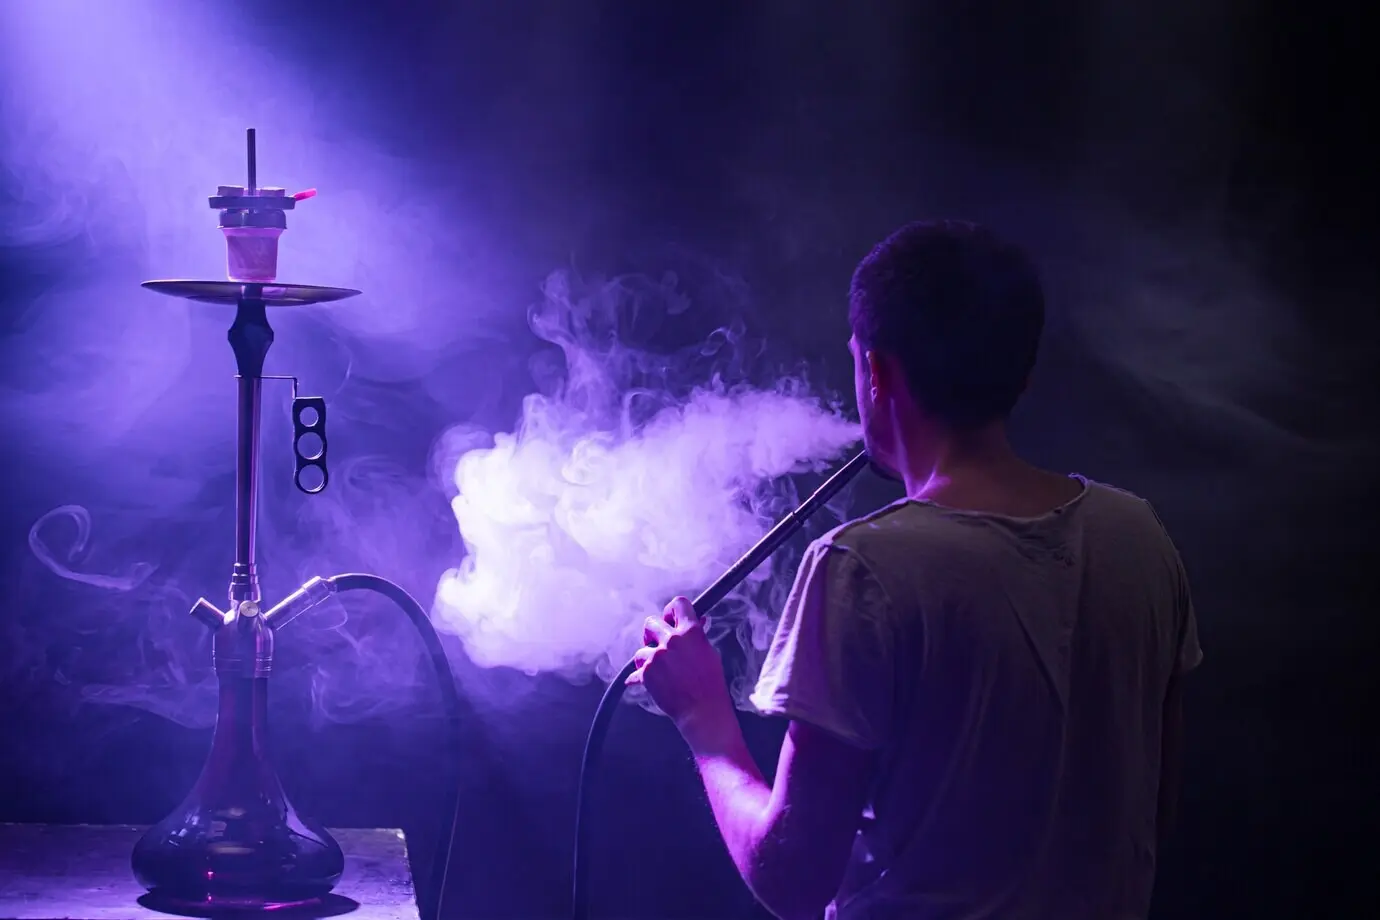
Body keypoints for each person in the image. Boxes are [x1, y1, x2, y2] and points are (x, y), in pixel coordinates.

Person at [628, 220, 1203, 920]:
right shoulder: (1139, 536)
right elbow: (1157, 810)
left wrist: (705, 722)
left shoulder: (862, 567)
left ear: (875, 370)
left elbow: (792, 878)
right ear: (1022, 371)